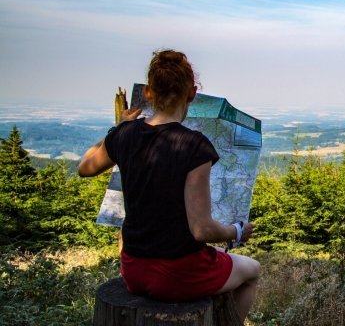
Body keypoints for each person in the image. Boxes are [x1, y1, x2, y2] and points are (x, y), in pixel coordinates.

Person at [78, 49, 260, 319]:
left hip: (133, 270)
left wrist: (117, 128)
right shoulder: (194, 145)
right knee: (252, 270)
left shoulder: (124, 134)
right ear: (192, 93)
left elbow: (85, 167)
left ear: (149, 92)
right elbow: (201, 230)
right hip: (179, 274)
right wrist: (237, 231)